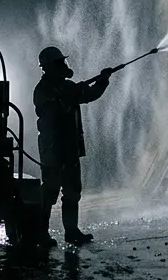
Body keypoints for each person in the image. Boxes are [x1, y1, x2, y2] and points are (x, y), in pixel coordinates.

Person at [33, 45, 115, 246]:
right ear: (47, 67)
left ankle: (71, 231)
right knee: (50, 191)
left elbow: (90, 94)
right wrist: (65, 99)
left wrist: (103, 80)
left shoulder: (69, 87)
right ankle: (40, 233)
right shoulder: (42, 90)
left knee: (73, 191)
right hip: (52, 149)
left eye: (63, 62)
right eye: (58, 63)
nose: (63, 65)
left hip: (69, 148)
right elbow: (49, 112)